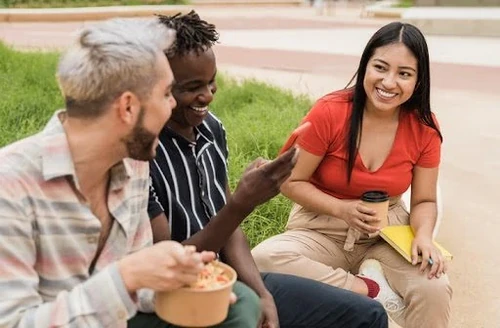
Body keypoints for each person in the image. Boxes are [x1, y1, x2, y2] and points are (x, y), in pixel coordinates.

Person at [0, 18, 260, 328]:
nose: (173, 104)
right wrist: (127, 276)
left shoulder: (132, 165)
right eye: (166, 94)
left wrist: (178, 275)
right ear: (127, 108)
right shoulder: (11, 185)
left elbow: (138, 284)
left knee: (239, 303)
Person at [148, 10, 388, 328]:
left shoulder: (211, 129)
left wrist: (262, 293)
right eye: (192, 87)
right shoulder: (143, 152)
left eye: (211, 81)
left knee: (368, 316)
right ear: (158, 86)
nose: (207, 95)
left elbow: (228, 228)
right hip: (180, 297)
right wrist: (241, 204)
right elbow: (165, 266)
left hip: (230, 277)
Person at [251, 22, 453, 328]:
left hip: (387, 232)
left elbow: (424, 199)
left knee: (434, 288)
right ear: (365, 66)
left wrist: (423, 236)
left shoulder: (425, 127)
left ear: (418, 79)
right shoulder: (330, 112)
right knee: (262, 259)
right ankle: (369, 289)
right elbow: (289, 180)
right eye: (380, 68)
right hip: (322, 229)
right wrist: (342, 209)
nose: (389, 82)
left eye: (404, 73)